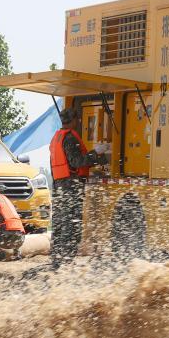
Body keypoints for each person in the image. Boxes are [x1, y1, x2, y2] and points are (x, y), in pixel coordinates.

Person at [49, 108, 92, 268]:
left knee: (60, 223)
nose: (79, 121)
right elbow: (76, 162)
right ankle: (66, 260)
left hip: (59, 185)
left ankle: (57, 259)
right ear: (74, 120)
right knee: (72, 223)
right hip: (71, 186)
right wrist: (96, 156)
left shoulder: (56, 138)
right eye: (77, 118)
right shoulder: (70, 138)